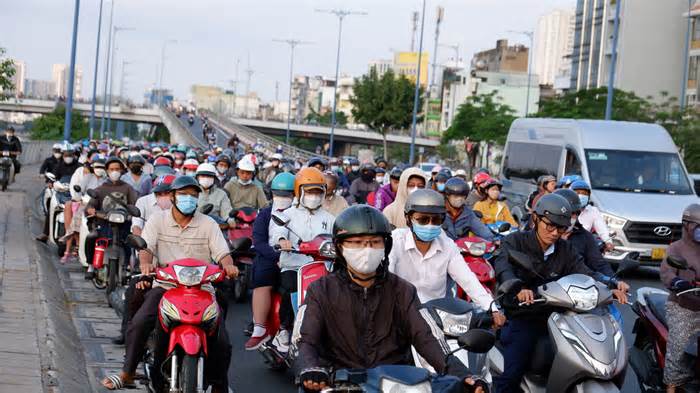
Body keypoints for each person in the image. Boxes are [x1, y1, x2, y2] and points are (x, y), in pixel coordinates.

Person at [297, 205, 486, 392]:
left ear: (385, 246)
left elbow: (428, 337)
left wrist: (463, 374)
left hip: (395, 383)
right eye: (356, 242)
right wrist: (311, 368)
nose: (367, 249)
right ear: (340, 247)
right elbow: (306, 339)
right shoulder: (320, 290)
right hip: (339, 383)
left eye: (375, 242)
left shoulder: (403, 291)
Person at [101, 176, 238, 391]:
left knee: (223, 341)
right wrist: (145, 265)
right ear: (172, 196)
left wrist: (229, 266)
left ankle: (220, 384)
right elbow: (146, 248)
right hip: (166, 287)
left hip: (202, 289)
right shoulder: (157, 220)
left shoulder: (208, 223)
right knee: (140, 322)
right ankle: (127, 372)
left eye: (193, 195)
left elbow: (223, 254)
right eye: (183, 194)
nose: (189, 199)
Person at [492, 194, 626, 393]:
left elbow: (586, 271)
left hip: (560, 316)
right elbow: (503, 268)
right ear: (536, 219)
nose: (555, 233)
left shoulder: (565, 249)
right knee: (513, 372)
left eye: (561, 228)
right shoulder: (515, 242)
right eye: (550, 226)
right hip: (524, 316)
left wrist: (611, 284)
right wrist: (517, 288)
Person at [388, 188, 506, 320]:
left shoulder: (448, 245)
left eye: (436, 220)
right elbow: (384, 283)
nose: (430, 225)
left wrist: (492, 309)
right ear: (408, 219)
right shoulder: (395, 242)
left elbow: (468, 280)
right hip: (399, 316)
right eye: (422, 220)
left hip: (436, 319)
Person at [269, 167, 335, 353]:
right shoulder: (287, 214)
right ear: (300, 191)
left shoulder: (330, 219)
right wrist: (283, 241)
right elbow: (278, 232)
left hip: (322, 267)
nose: (314, 195)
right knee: (289, 287)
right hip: (294, 265)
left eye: (318, 191)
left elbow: (338, 238)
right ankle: (284, 329)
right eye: (310, 191)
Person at [111, 173, 176, 346]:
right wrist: (146, 247)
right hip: (150, 256)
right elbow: (137, 228)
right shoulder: (144, 203)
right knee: (135, 290)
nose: (164, 198)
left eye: (167, 193)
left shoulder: (185, 210)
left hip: (179, 266)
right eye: (159, 194)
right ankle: (127, 333)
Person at [245, 172, 296, 350]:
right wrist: (277, 257)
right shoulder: (265, 214)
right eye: (278, 195)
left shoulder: (300, 214)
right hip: (270, 257)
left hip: (298, 259)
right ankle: (259, 328)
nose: (282, 199)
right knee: (263, 276)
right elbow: (258, 242)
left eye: (287, 195)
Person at [660, 204, 700, 392]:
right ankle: (672, 387)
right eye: (698, 226)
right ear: (687, 225)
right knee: (680, 349)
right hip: (683, 307)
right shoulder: (676, 249)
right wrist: (677, 282)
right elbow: (667, 272)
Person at [36, 144, 82, 243]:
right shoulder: (58, 166)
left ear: (74, 155)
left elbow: (84, 178)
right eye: (66, 154)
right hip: (61, 192)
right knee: (51, 209)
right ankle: (45, 233)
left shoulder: (79, 167)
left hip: (75, 194)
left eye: (70, 154)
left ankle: (79, 240)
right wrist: (50, 183)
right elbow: (53, 177)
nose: (68, 157)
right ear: (63, 155)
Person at [570, 180, 614, 251]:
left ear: (588, 196)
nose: (581, 195)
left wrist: (608, 242)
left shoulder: (593, 211)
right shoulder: (566, 208)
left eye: (584, 193)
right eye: (577, 193)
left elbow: (602, 228)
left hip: (583, 247)